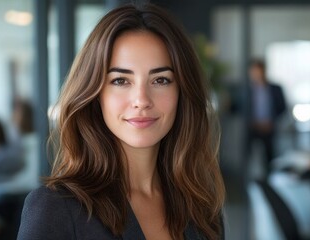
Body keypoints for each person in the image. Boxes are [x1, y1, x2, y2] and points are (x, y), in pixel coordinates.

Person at [17, 3, 225, 240]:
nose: (141, 100)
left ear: (182, 92)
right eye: (120, 81)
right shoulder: (56, 208)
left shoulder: (202, 207)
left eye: (160, 80)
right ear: (95, 94)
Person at [248, 59, 286, 173]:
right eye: (254, 72)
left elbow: (282, 108)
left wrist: (271, 122)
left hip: (269, 127)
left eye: (258, 71)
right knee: (249, 157)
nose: (256, 74)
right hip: (252, 128)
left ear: (264, 71)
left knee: (270, 158)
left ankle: (270, 181)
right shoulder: (247, 90)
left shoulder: (276, 88)